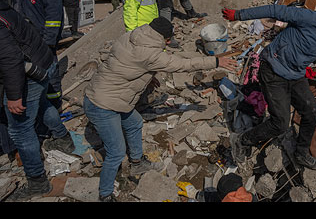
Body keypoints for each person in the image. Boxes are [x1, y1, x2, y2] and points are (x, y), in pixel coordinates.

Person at [83, 17, 237, 202]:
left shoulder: (131, 36)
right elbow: (182, 65)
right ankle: (105, 194)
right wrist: (216, 62)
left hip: (106, 94)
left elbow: (127, 64)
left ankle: (137, 163)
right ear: (163, 38)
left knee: (135, 123)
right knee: (116, 151)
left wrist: (148, 75)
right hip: (103, 105)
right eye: (167, 40)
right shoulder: (150, 55)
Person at [221, 0, 316, 170]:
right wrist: (239, 15)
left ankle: (301, 153)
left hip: (295, 75)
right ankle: (242, 140)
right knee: (280, 123)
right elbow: (275, 10)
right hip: (272, 68)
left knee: (312, 111)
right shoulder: (309, 17)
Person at [0, 0, 75, 200]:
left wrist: (14, 96)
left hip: (28, 74)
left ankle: (37, 182)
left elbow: (10, 59)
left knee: (20, 130)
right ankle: (63, 139)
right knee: (42, 106)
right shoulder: (4, 9)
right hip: (43, 63)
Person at [9, 0, 64, 109]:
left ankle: (54, 106)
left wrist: (49, 42)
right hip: (24, 40)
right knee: (32, 74)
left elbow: (54, 15)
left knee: (50, 73)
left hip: (42, 40)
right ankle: (38, 105)